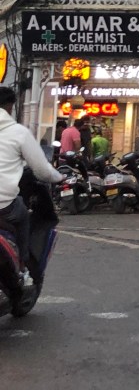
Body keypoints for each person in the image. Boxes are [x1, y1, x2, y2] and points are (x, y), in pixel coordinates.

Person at [0, 86, 64, 287]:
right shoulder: (18, 132)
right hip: (3, 206)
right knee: (23, 218)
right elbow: (42, 170)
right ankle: (22, 269)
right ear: (10, 106)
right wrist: (59, 177)